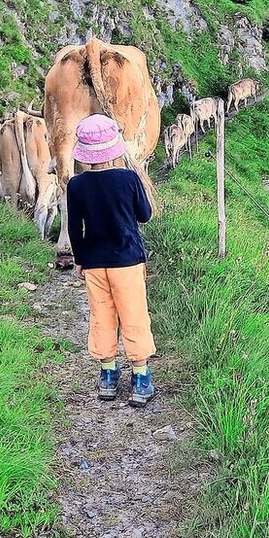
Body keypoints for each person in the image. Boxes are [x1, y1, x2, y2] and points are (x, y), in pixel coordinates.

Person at [66, 113, 156, 406]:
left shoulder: (76, 185)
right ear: (114, 147)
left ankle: (107, 375)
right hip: (127, 260)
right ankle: (140, 378)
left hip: (94, 263)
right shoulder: (128, 178)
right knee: (133, 315)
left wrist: (79, 259)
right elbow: (145, 215)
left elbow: (74, 228)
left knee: (102, 316)